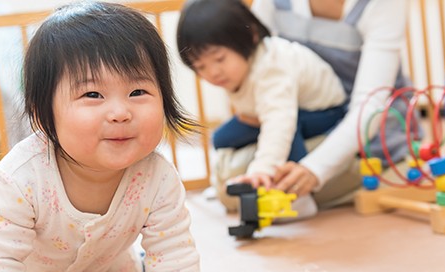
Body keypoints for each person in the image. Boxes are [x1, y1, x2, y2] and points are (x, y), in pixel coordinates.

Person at [0, 2, 201, 272]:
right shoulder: (20, 179)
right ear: (41, 113)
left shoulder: (158, 177)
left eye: (137, 92)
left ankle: (129, 268)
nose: (120, 112)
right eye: (92, 94)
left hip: (101, 262)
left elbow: (174, 254)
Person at [177, 0, 347, 217]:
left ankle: (299, 200)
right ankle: (223, 183)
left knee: (287, 129)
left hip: (324, 112)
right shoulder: (236, 67)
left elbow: (280, 123)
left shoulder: (272, 67)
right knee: (221, 137)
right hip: (279, 109)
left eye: (219, 59)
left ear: (250, 38)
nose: (212, 72)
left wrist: (260, 171)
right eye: (200, 66)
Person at [251, 0, 413, 208]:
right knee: (241, 175)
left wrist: (314, 169)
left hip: (367, 136)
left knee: (246, 185)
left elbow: (369, 106)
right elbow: (254, 64)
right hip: (305, 122)